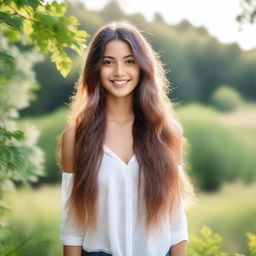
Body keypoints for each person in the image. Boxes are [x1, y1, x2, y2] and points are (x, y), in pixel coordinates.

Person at [57, 20, 195, 256]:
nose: (119, 72)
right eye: (108, 62)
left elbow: (175, 221)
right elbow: (73, 225)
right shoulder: (76, 137)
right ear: (95, 69)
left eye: (129, 61)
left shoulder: (167, 132)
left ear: (142, 67)